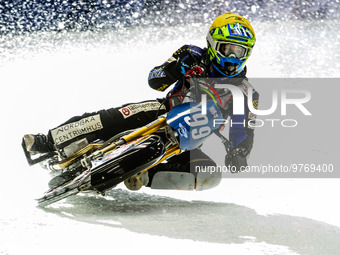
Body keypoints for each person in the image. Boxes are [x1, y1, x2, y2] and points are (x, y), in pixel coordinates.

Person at [22, 12, 259, 191]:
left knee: (211, 175)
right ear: (213, 44)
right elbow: (154, 80)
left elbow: (244, 130)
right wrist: (177, 68)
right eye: (228, 49)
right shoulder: (191, 53)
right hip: (162, 112)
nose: (232, 58)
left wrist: (239, 152)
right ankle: (48, 140)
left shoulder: (246, 93)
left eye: (240, 52)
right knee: (115, 116)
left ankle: (141, 174)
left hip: (188, 139)